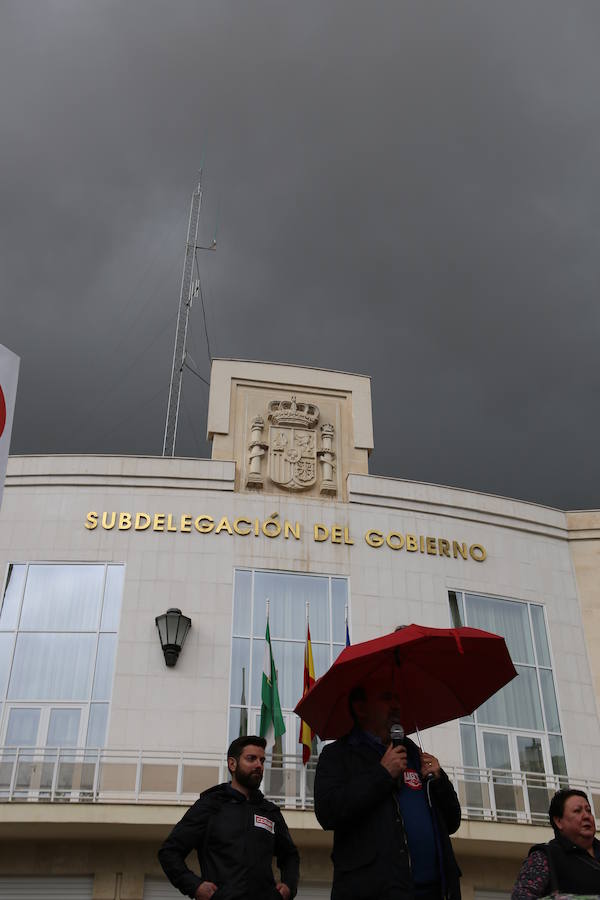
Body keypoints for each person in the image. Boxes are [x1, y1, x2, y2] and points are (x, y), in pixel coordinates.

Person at [313, 675, 462, 900]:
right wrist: (382, 774)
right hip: (375, 891)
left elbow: (452, 822)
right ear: (361, 708)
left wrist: (439, 781)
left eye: (396, 698)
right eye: (386, 698)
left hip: (436, 891)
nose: (396, 705)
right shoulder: (337, 755)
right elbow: (328, 812)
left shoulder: (413, 753)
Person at [158, 735, 300, 900]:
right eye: (251, 759)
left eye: (262, 760)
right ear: (232, 764)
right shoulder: (210, 806)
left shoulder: (269, 812)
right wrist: (195, 886)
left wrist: (288, 886)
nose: (258, 765)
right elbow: (169, 852)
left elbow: (290, 855)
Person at [511, 788, 600, 899]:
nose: (587, 816)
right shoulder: (544, 856)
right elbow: (521, 897)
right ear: (559, 822)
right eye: (577, 811)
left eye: (588, 810)